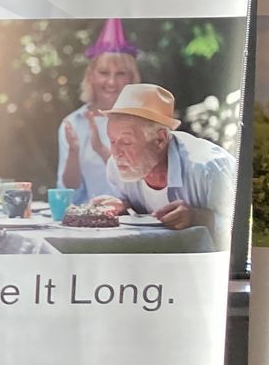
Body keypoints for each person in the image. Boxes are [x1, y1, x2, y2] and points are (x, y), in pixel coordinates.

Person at [96, 83, 234, 250]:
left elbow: (246, 229)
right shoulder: (116, 168)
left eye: (126, 142)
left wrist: (197, 217)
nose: (116, 152)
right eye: (112, 141)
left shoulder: (207, 169)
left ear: (160, 139)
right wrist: (123, 208)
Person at [57, 18, 141, 204]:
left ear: (131, 78)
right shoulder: (73, 123)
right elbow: (69, 190)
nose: (111, 82)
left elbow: (142, 183)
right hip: (90, 216)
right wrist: (74, 152)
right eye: (104, 73)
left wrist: (101, 150)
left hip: (133, 217)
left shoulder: (142, 121)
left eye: (120, 74)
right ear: (91, 76)